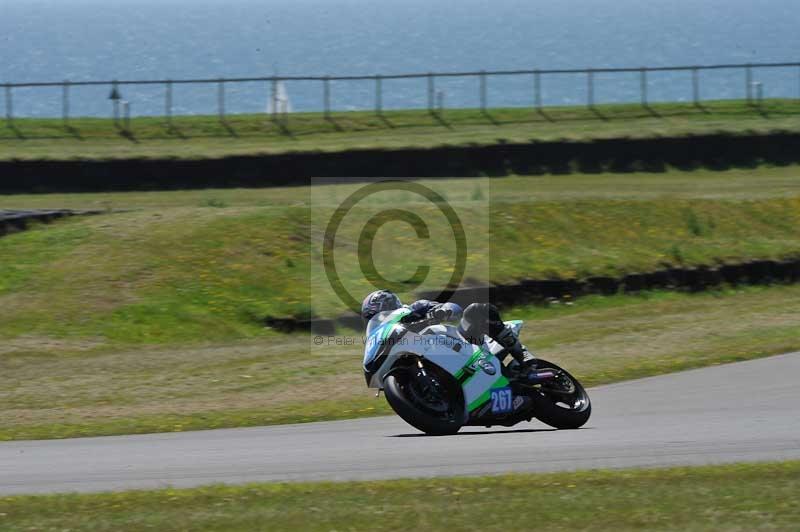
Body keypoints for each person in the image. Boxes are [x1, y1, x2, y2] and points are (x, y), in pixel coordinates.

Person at [360, 289, 536, 373]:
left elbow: (454, 309)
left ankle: (522, 355)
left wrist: (441, 311)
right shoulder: (384, 336)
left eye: (381, 311)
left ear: (391, 304)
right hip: (434, 359)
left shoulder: (416, 307)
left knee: (476, 310)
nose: (380, 318)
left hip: (463, 344)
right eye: (373, 317)